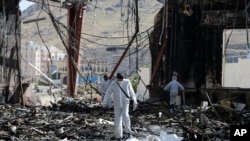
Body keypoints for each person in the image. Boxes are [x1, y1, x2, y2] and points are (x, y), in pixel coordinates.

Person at [102, 73, 138, 141]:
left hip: (125, 102)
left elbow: (131, 92)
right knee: (118, 120)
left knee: (125, 116)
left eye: (122, 79)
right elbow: (108, 92)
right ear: (117, 78)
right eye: (119, 79)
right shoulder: (113, 84)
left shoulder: (127, 82)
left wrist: (135, 101)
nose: (121, 80)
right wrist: (105, 101)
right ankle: (118, 136)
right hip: (117, 103)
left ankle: (128, 133)